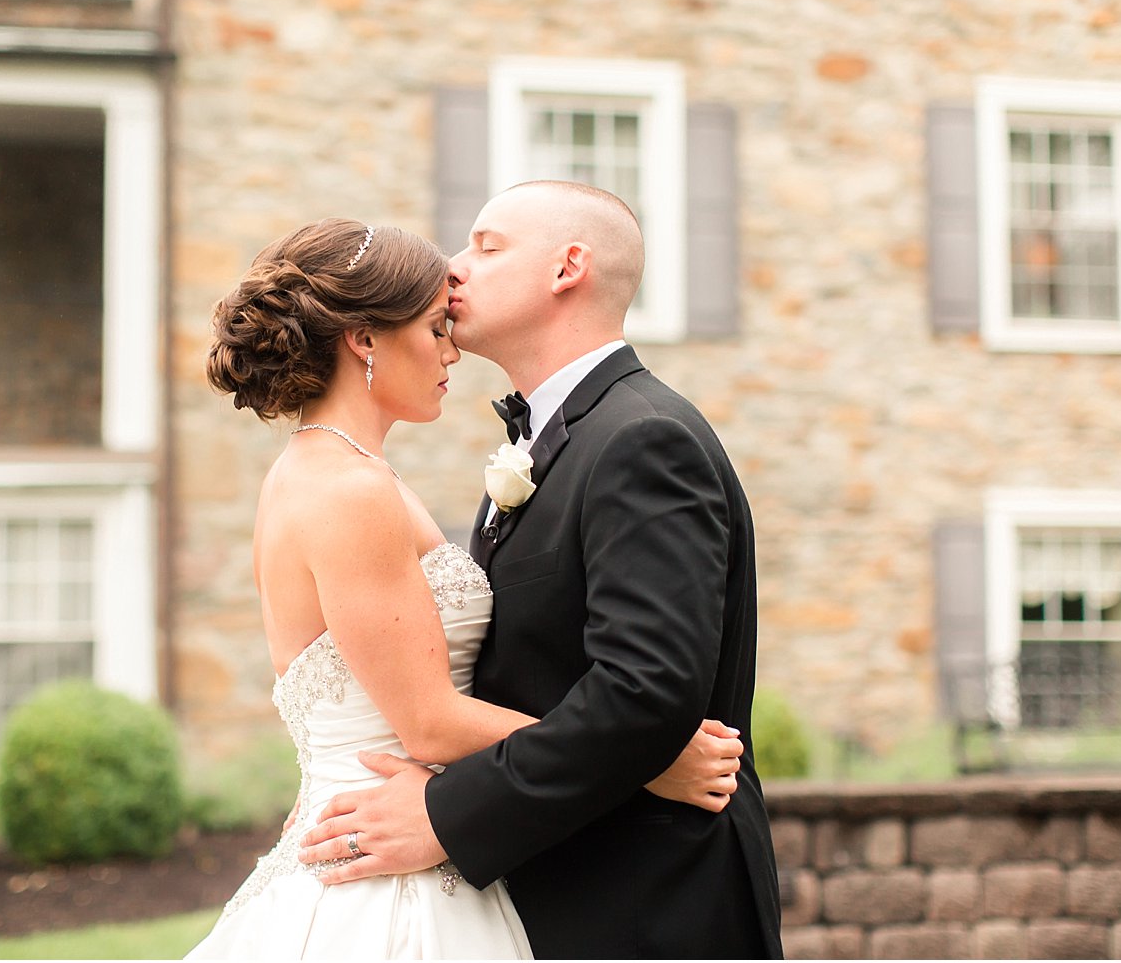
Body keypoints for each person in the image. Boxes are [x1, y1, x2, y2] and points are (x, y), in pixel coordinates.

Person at [185, 217, 744, 959]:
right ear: (364, 340)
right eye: (434, 328)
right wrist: (645, 761)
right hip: (385, 863)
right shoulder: (349, 487)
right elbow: (427, 722)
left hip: (406, 829)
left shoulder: (344, 473)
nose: (451, 351)